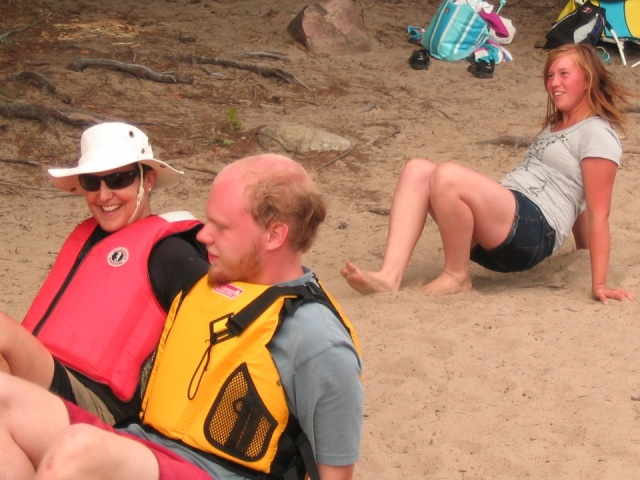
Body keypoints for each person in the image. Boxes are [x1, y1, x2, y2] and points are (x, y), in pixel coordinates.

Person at [0, 153, 364, 480]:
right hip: (149, 445)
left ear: (274, 234)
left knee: (80, 449)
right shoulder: (210, 288)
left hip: (213, 471)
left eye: (222, 227)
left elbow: (336, 473)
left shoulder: (317, 338)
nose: (203, 235)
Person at [341, 43, 637, 305]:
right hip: (506, 220)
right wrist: (580, 251)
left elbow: (597, 210)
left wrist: (598, 281)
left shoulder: (597, 133)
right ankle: (389, 276)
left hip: (531, 231)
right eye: (550, 75)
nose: (553, 83)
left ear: (588, 79)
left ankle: (456, 275)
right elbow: (576, 194)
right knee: (416, 169)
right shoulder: (557, 125)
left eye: (564, 74)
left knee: (447, 176)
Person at [0, 122, 209, 426]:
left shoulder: (170, 254)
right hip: (47, 376)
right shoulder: (88, 237)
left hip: (97, 407)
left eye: (118, 179)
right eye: (91, 182)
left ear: (147, 180)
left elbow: (230, 318)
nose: (104, 194)